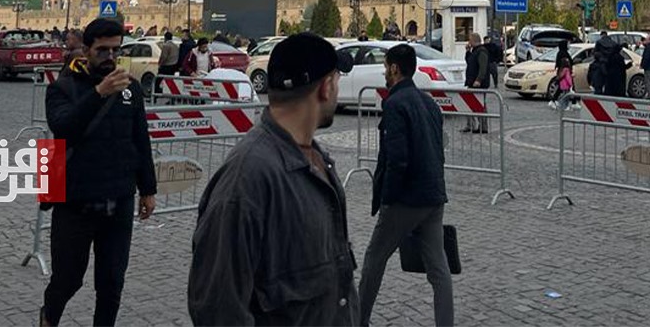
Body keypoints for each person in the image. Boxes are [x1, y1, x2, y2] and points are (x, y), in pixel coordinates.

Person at [187, 33, 357, 325]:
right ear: (326, 87)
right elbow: (218, 307)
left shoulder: (316, 158)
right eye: (337, 79)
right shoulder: (248, 179)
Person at [40, 18, 157, 327]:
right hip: (75, 201)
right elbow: (63, 127)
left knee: (111, 283)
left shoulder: (130, 88)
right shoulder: (62, 88)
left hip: (119, 200)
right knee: (67, 280)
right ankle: (48, 318)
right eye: (102, 50)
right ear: (87, 50)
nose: (109, 56)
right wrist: (99, 93)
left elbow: (139, 138)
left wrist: (148, 188)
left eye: (115, 50)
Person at [359, 44, 453, 326]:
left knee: (374, 260)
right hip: (433, 196)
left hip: (405, 199)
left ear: (395, 69)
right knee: (439, 268)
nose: (384, 72)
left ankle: (357, 319)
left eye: (386, 66)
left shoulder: (396, 104)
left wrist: (388, 198)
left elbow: (397, 158)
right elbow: (439, 149)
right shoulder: (428, 103)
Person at [463, 32, 490, 133]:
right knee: (470, 103)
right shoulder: (475, 51)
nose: (468, 42)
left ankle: (483, 126)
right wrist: (467, 51)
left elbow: (483, 67)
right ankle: (471, 125)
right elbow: (469, 62)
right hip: (471, 82)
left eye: (470, 40)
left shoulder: (482, 51)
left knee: (480, 105)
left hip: (478, 84)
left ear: (473, 40)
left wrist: (478, 80)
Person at [549, 44, 573, 111]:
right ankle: (566, 104)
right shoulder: (564, 54)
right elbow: (568, 78)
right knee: (565, 92)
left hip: (560, 72)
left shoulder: (559, 53)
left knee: (561, 89)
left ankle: (555, 101)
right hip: (565, 79)